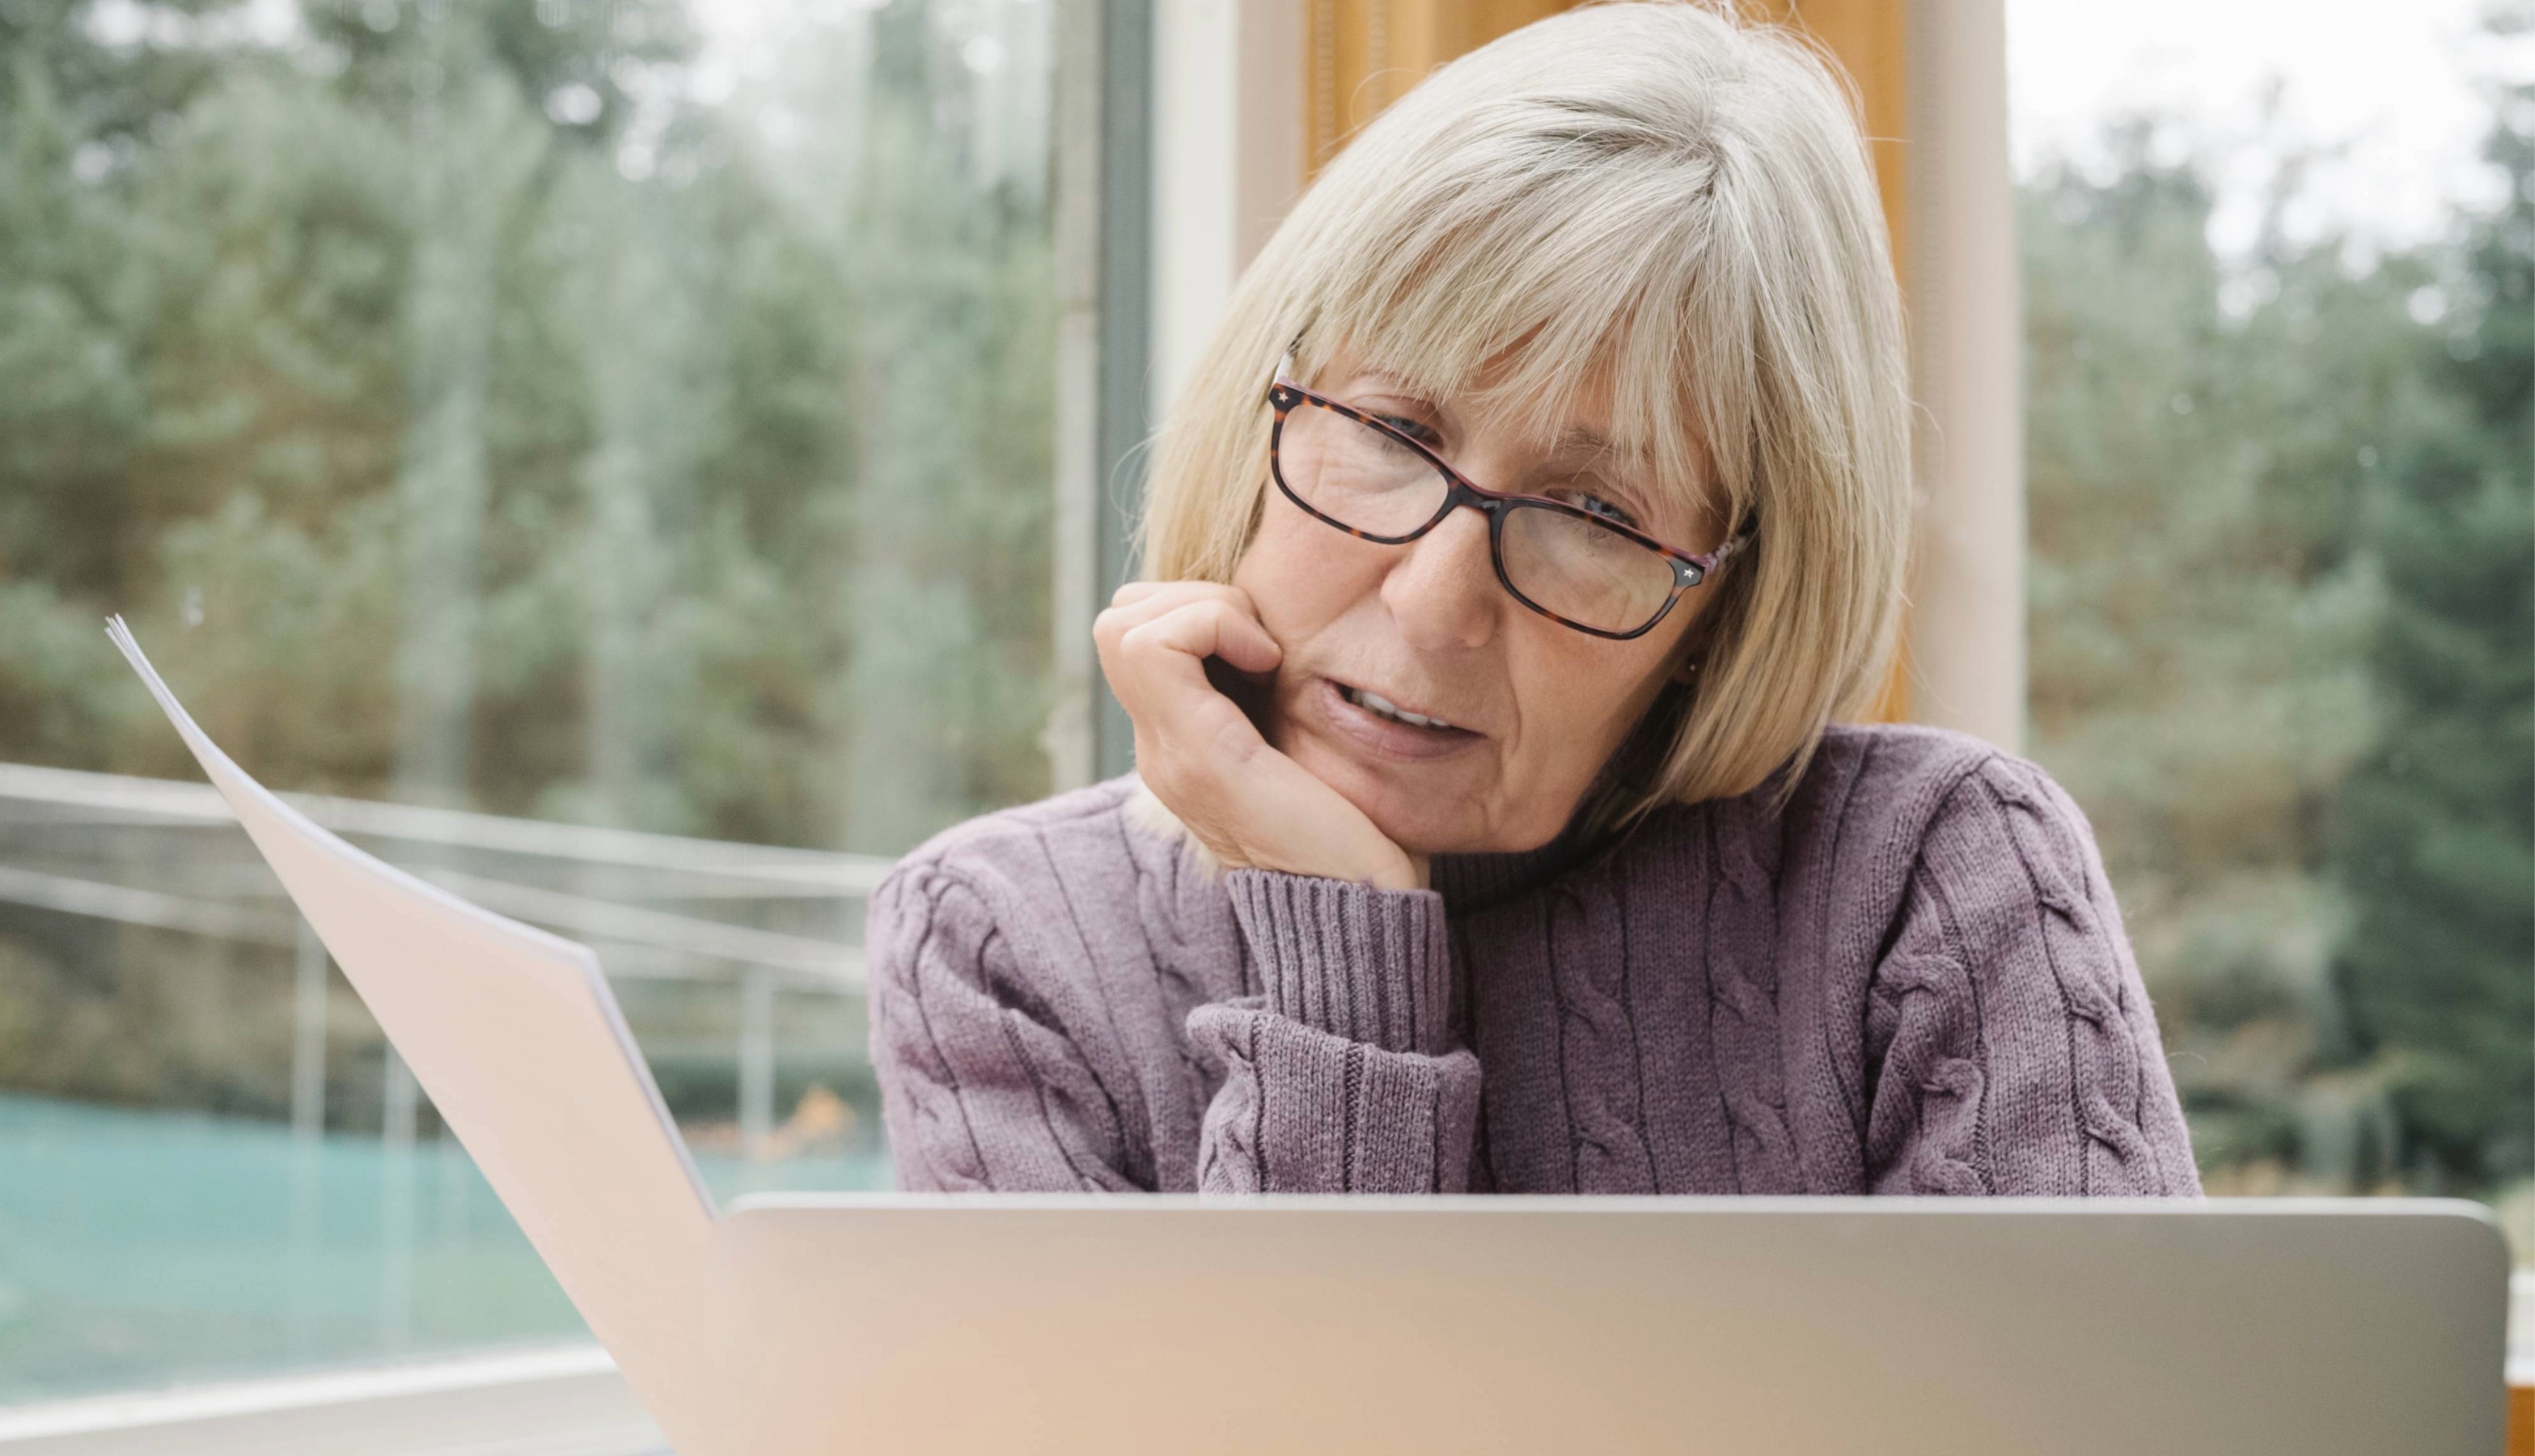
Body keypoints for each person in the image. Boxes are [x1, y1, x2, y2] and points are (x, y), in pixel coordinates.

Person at [865, 0, 2200, 1197]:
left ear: (1723, 606)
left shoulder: (1933, 878)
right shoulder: (1003, 945)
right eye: (1390, 432)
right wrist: (1341, 956)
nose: (1439, 604)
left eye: (1593, 516)